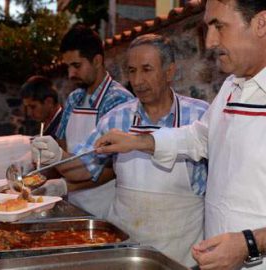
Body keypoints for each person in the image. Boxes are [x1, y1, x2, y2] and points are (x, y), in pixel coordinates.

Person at [95, 1, 266, 269]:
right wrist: (139, 141)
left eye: (219, 27)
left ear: (261, 23)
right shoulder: (232, 86)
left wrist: (249, 243)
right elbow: (200, 138)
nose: (210, 42)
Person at [32, 34, 209, 266]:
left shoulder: (199, 116)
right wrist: (57, 157)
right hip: (126, 250)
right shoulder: (117, 117)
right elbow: (83, 169)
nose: (137, 80)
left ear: (169, 72)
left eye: (147, 69)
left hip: (180, 254)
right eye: (132, 71)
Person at [47, 24, 133, 217]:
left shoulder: (119, 100)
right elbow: (62, 145)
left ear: (97, 60)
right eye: (68, 66)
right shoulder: (73, 98)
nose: (70, 74)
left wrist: (65, 185)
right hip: (74, 202)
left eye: (76, 66)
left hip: (105, 207)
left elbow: (114, 168)